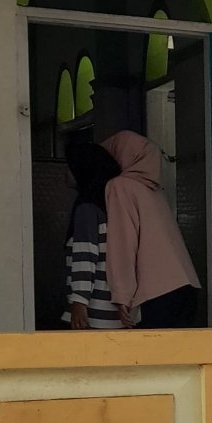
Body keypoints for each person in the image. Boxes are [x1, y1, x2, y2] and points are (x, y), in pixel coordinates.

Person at [100, 131, 201, 328]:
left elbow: (123, 243)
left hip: (157, 293)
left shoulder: (120, 186)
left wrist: (122, 295)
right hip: (187, 287)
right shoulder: (154, 192)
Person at [61, 137, 121, 329]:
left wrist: (78, 301)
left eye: (69, 166)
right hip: (115, 312)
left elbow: (84, 255)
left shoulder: (86, 209)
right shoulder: (112, 205)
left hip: (92, 312)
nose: (66, 172)